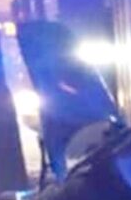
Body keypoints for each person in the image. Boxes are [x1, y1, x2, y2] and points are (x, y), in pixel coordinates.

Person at [19, 20, 122, 181]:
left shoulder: (50, 69)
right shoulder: (70, 65)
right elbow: (99, 99)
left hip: (72, 130)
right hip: (88, 128)